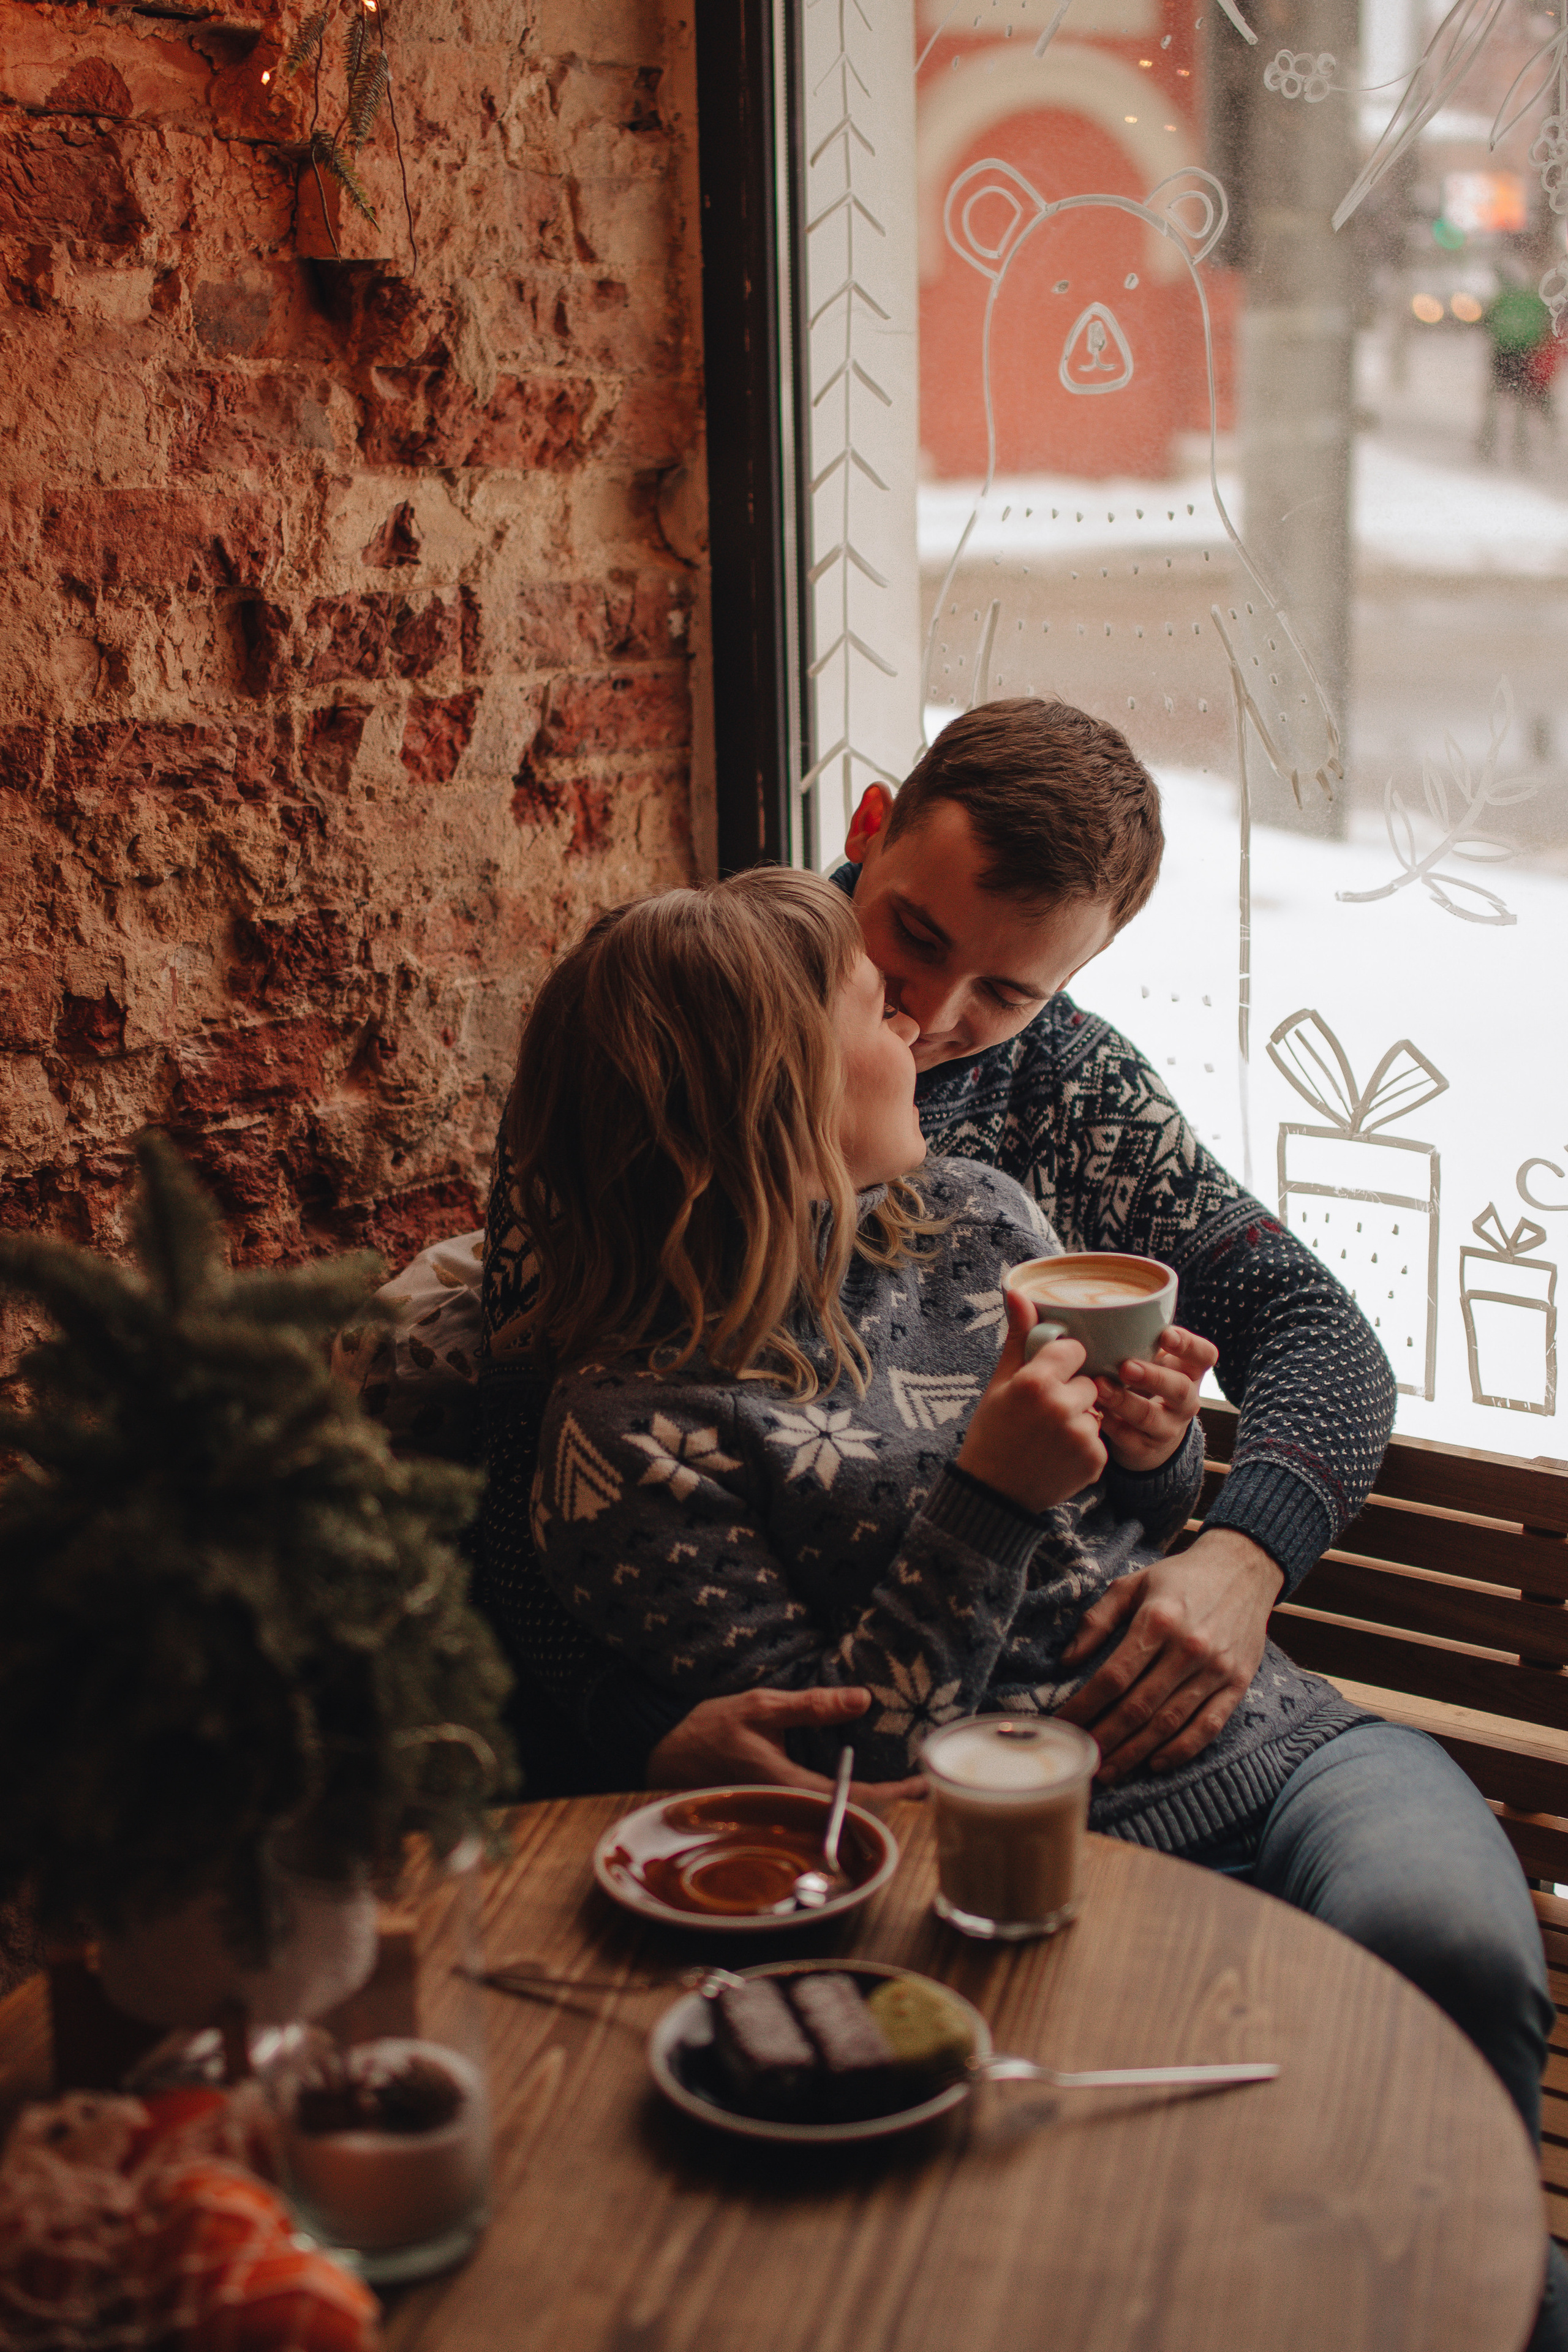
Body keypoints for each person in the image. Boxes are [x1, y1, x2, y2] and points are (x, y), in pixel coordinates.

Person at [481, 701, 1398, 1806]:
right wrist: (640, 1730)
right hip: (851, 1767)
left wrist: (1240, 1556)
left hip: (1154, 1733)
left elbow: (1309, 1325)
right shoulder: (674, 1029)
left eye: (1009, 992)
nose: (933, 1012)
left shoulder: (1069, 1088)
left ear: (1073, 977)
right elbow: (516, 1467)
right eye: (913, 940)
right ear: (870, 824)